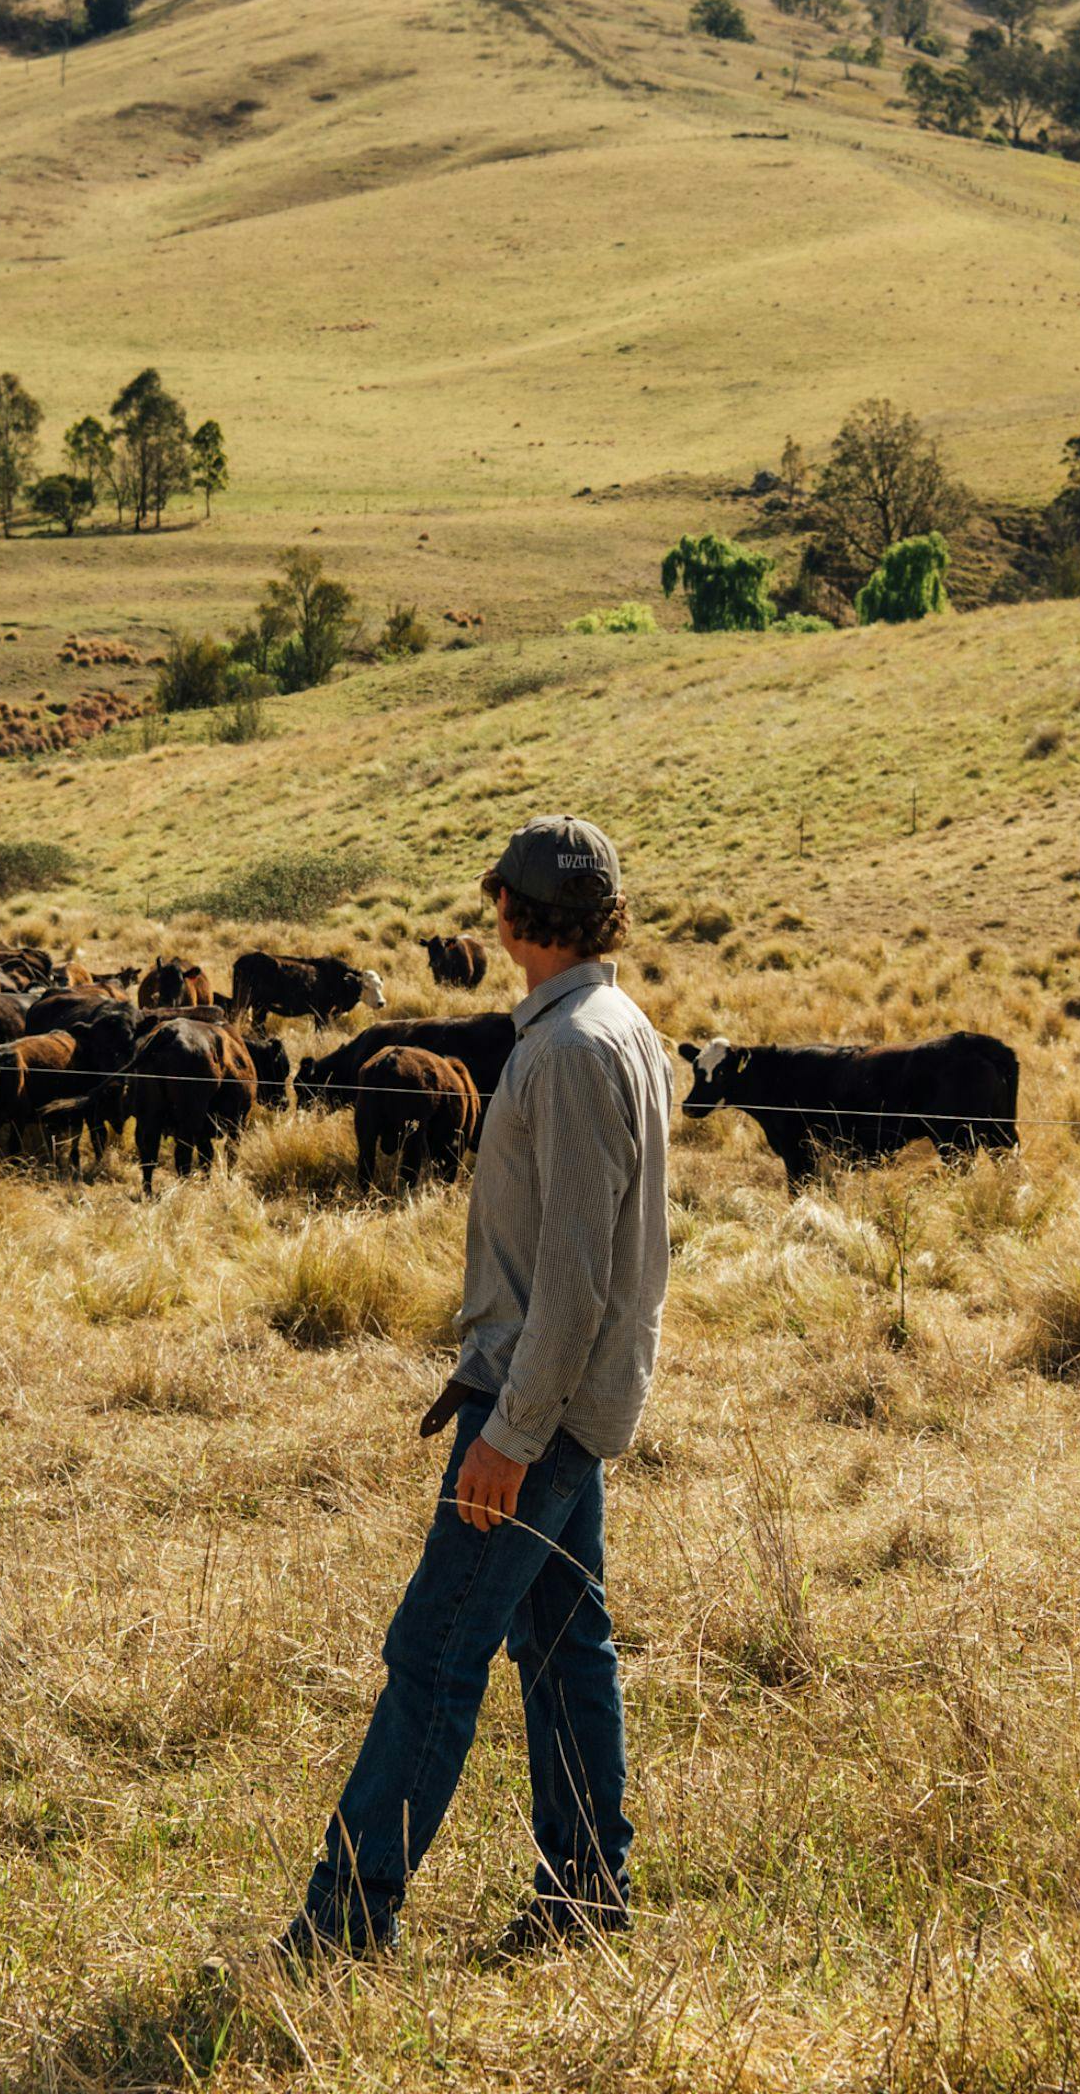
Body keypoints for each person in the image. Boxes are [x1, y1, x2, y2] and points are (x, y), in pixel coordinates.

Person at [280, 815, 675, 1964]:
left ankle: (346, 1923)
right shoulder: (623, 1028)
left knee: (436, 1652)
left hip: (534, 1411)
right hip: (572, 1405)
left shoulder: (564, 1053)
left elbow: (572, 1283)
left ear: (506, 912)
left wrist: (507, 1435)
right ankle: (589, 1892)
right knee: (563, 1646)